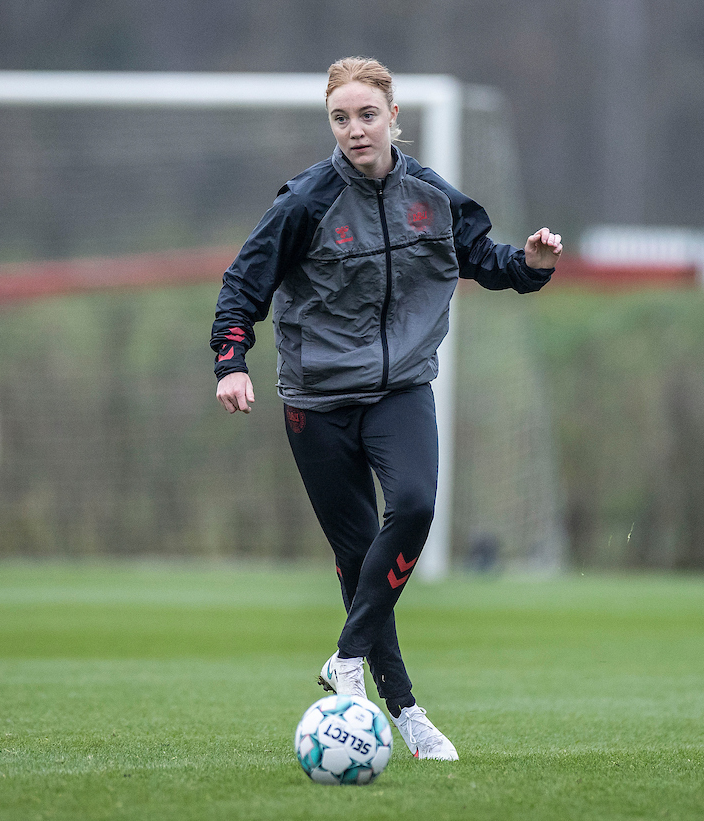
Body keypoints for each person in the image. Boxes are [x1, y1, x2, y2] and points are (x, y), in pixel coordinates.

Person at [211, 56, 561, 761]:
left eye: (367, 115)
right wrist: (231, 363)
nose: (355, 129)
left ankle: (347, 658)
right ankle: (407, 713)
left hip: (400, 389)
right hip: (316, 401)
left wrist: (530, 264)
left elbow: (485, 260)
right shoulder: (304, 202)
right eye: (340, 118)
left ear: (393, 117)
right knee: (356, 556)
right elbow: (243, 285)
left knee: (415, 505)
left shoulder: (431, 196)